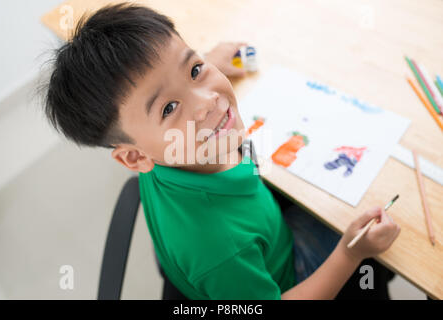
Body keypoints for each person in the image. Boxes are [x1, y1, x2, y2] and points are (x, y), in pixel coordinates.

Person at [43, 3, 400, 299]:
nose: (207, 102)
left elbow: (175, 82)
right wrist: (351, 253)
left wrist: (205, 64)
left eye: (195, 69)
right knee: (380, 238)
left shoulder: (165, 153)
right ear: (135, 157)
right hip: (289, 273)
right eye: (169, 108)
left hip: (253, 235)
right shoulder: (220, 246)